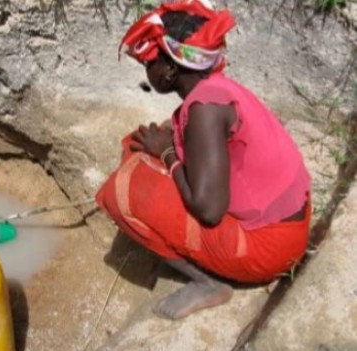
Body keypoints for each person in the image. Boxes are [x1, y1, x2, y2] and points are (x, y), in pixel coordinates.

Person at [95, 0, 311, 320]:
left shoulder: (205, 110)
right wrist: (166, 147)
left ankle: (209, 284)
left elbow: (209, 210)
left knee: (122, 193)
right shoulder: (214, 89)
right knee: (137, 147)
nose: (147, 71)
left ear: (169, 69)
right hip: (287, 220)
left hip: (271, 247)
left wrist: (167, 153)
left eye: (149, 63)